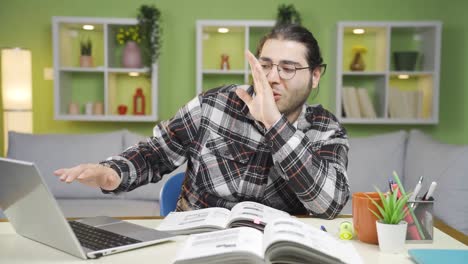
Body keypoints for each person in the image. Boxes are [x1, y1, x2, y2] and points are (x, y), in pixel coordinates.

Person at [54, 24, 350, 219]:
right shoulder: (213, 105)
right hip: (197, 244)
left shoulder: (326, 129)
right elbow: (157, 152)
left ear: (314, 76)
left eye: (287, 68)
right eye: (265, 65)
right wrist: (110, 173)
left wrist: (273, 122)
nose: (272, 77)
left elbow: (329, 204)